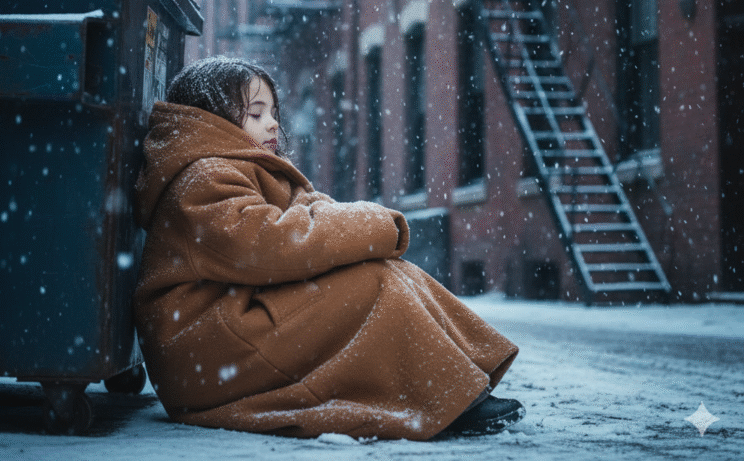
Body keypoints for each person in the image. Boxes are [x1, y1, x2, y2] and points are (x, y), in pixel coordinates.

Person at [133, 55, 524, 440]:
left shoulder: (236, 167)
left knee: (387, 271)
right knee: (372, 283)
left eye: (272, 112)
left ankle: (464, 380)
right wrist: (369, 224)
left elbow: (301, 209)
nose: (271, 123)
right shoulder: (203, 177)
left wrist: (349, 225)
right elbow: (271, 245)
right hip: (207, 353)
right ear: (212, 119)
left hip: (231, 330)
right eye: (255, 113)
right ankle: (445, 398)